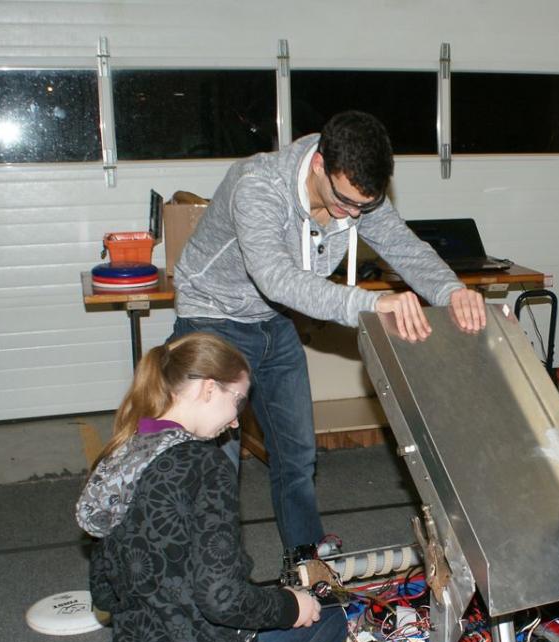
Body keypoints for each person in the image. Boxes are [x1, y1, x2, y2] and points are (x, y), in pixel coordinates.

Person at [171, 109, 486, 556]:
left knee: (297, 453)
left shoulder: (356, 192)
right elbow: (276, 278)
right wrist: (371, 303)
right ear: (319, 163)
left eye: (364, 207)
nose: (353, 214)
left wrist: (452, 291)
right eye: (346, 201)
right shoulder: (258, 186)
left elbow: (404, 248)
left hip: (273, 321)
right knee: (213, 462)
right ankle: (212, 575)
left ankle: (307, 561)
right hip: (212, 318)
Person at [76, 333, 347, 642]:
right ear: (207, 388)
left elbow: (104, 593)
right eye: (237, 401)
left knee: (219, 614)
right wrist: (292, 606)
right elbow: (221, 598)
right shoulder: (204, 465)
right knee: (328, 619)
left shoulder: (122, 455)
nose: (237, 419)